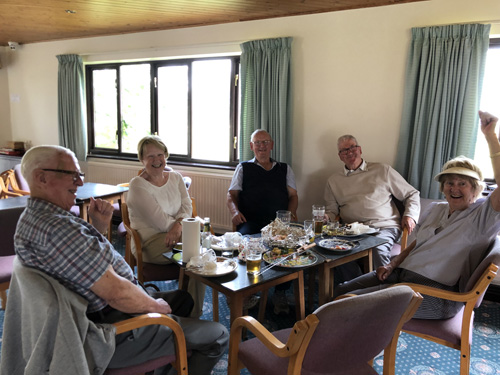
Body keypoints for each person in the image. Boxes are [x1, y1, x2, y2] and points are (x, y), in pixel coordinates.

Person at [14, 145, 228, 374]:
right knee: (218, 335)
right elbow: (116, 293)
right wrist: (155, 307)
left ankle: (167, 358)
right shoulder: (56, 230)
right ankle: (169, 343)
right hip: (112, 325)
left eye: (80, 175)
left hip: (103, 307)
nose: (79, 183)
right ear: (41, 178)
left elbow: (81, 262)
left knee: (183, 299)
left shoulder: (39, 218)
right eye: (72, 175)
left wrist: (97, 226)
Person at [334, 111, 500, 319]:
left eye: (462, 183)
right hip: (403, 275)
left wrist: (491, 137)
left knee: (348, 305)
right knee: (341, 290)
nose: (454, 188)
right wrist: (392, 264)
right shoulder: (438, 208)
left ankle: (357, 345)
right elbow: (415, 243)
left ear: (475, 188)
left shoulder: (483, 217)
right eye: (449, 182)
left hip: (435, 294)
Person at [127, 135, 205, 318]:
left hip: (177, 237)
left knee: (196, 255)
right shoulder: (137, 185)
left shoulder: (176, 178)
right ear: (141, 160)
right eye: (150, 156)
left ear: (166, 156)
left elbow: (187, 206)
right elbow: (161, 222)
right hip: (148, 243)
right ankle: (193, 316)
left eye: (160, 155)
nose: (156, 160)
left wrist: (178, 226)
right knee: (197, 247)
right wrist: (182, 225)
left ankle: (191, 313)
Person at [324, 135, 420, 273]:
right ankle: (356, 287)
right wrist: (327, 217)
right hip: (352, 231)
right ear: (340, 156)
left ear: (360, 150)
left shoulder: (382, 170)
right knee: (334, 250)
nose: (350, 152)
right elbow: (332, 210)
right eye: (344, 151)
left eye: (352, 147)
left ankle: (382, 290)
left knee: (376, 248)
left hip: (384, 228)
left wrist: (410, 215)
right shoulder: (333, 181)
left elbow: (412, 193)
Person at [227, 129, 298, 314]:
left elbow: (293, 196)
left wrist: (290, 214)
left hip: (278, 224)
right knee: (246, 244)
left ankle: (280, 293)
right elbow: (231, 195)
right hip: (251, 220)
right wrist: (235, 211)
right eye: (257, 143)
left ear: (272, 145)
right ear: (251, 146)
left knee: (289, 248)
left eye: (265, 142)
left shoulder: (285, 168)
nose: (261, 146)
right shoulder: (243, 167)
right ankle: (247, 291)